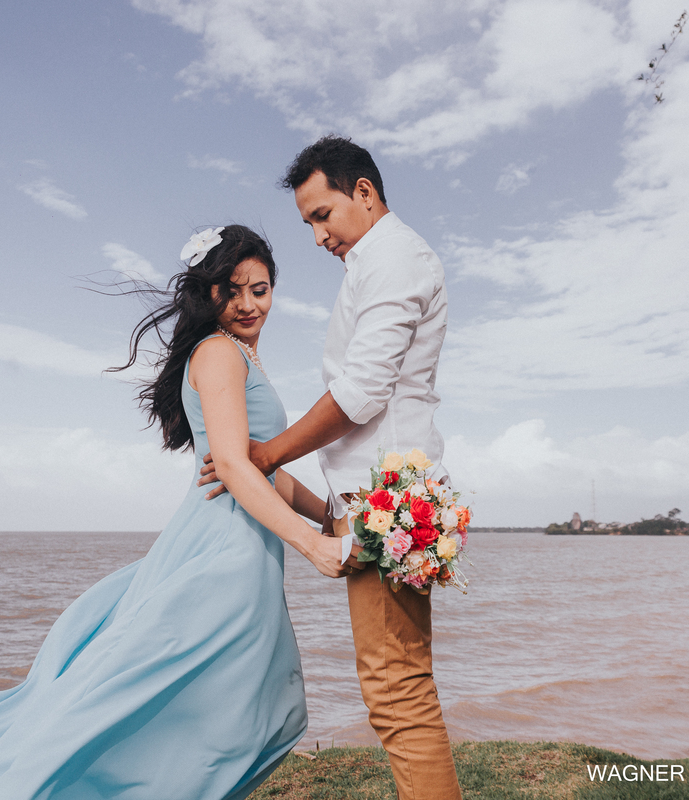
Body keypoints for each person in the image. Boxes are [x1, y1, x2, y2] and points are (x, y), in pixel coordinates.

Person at [0, 224, 355, 800]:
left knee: (235, 702)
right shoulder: (217, 352)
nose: (249, 304)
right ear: (208, 292)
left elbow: (262, 465)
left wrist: (325, 513)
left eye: (261, 289)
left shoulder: (241, 355)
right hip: (225, 548)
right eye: (234, 290)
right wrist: (312, 544)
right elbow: (233, 468)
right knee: (201, 704)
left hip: (243, 544)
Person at [202, 136, 462, 800]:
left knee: (396, 692)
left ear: (364, 194)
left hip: (389, 499)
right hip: (380, 493)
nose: (317, 236)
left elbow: (360, 394)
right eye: (308, 223)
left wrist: (265, 454)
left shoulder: (395, 260)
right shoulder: (376, 263)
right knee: (399, 685)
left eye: (322, 215)